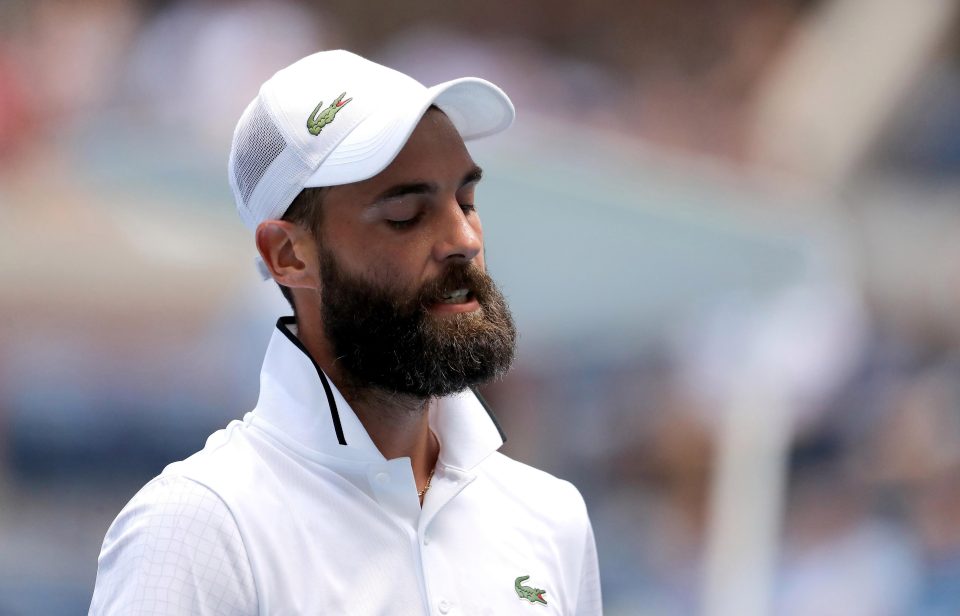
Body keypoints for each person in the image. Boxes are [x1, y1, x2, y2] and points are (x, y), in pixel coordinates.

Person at [89, 49, 602, 615]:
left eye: (467, 200)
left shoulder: (551, 518)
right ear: (288, 255)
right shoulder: (200, 528)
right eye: (406, 214)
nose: (464, 238)